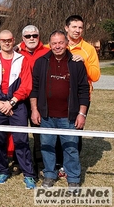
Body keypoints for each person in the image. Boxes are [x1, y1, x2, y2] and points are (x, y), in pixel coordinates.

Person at [30, 30, 89, 191]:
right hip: (46, 116)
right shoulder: (41, 62)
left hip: (69, 117)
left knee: (70, 147)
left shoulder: (76, 63)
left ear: (67, 43)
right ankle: (50, 174)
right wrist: (34, 110)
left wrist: (82, 113)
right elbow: (34, 89)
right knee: (47, 146)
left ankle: (74, 177)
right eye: (54, 43)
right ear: (50, 44)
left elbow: (84, 91)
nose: (57, 46)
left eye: (61, 43)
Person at [0, 29, 36, 189]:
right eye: (3, 40)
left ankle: (28, 174)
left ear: (13, 41)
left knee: (21, 139)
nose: (6, 43)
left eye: (9, 40)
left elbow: (27, 86)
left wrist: (11, 103)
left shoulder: (23, 60)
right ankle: (3, 170)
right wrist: (0, 104)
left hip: (17, 104)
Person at [55, 15, 100, 178]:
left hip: (80, 97)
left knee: (75, 131)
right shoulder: (57, 44)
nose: (77, 30)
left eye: (80, 27)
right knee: (57, 130)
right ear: (66, 28)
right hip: (59, 97)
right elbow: (39, 51)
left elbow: (95, 76)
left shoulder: (88, 49)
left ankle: (70, 166)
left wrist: (84, 63)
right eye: (74, 27)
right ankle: (58, 164)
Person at [11, 25, 50, 177]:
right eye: (28, 36)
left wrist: (75, 56)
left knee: (39, 133)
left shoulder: (48, 52)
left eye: (34, 35)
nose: (31, 38)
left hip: (40, 99)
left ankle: (40, 163)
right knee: (19, 131)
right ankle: (18, 161)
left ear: (39, 36)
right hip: (19, 98)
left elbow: (65, 55)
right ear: (23, 39)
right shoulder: (16, 52)